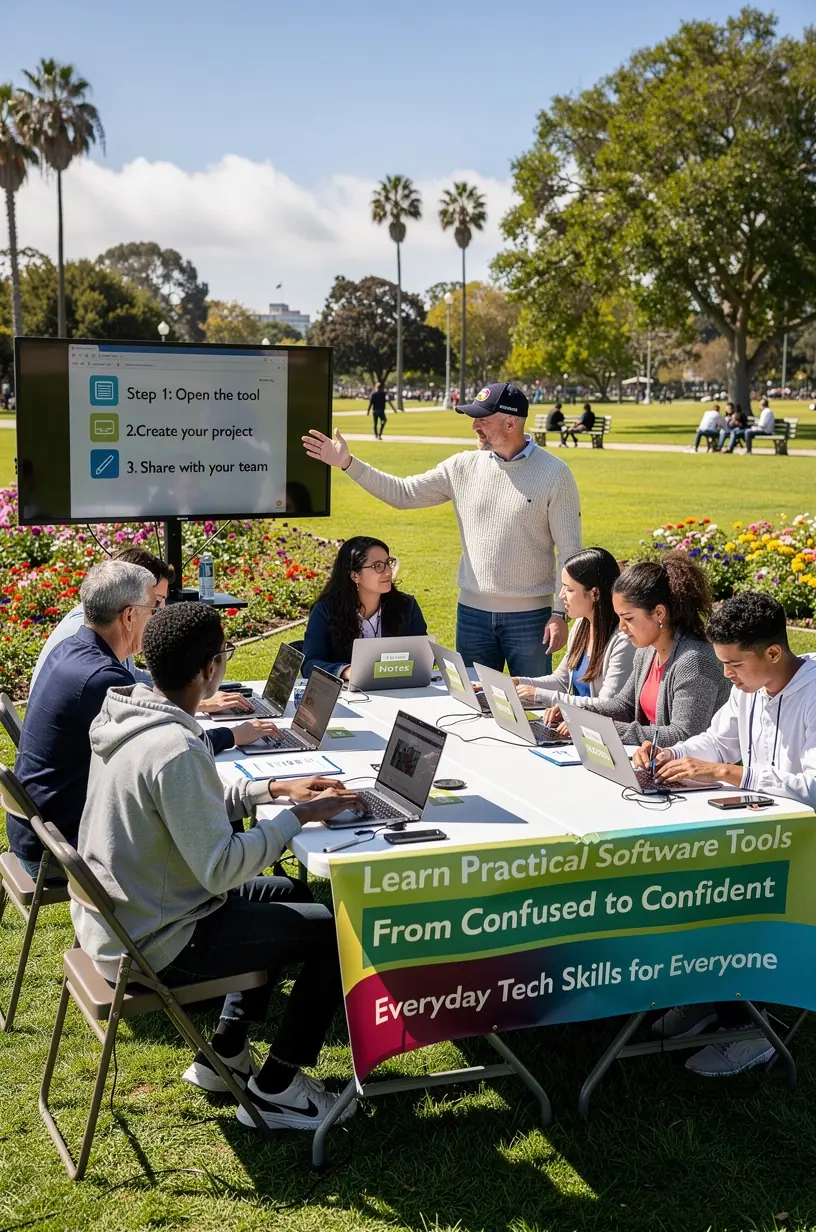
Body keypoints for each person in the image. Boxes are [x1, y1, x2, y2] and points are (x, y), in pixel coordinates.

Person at [71, 602, 363, 1130]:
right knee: (338, 937)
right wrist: (296, 816)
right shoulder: (175, 746)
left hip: (127, 917)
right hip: (155, 941)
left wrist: (268, 790)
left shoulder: (130, 714)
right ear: (209, 669)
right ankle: (276, 1089)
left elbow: (187, 807)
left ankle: (224, 1050)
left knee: (287, 894)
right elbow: (222, 869)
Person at [637, 593, 816, 1076]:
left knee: (719, 892)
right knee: (676, 875)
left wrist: (728, 773)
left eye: (734, 664)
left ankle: (752, 1028)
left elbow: (813, 787)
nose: (727, 676)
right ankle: (709, 997)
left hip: (803, 849)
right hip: (759, 831)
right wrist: (666, 755)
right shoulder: (750, 688)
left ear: (773, 653)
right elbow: (717, 740)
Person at [7, 562, 280, 879]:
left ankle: (237, 893)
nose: (157, 617)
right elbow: (164, 748)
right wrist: (232, 735)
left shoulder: (73, 649)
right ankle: (232, 895)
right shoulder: (101, 679)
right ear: (128, 616)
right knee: (200, 806)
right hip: (59, 848)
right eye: (153, 608)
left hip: (44, 830)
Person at [303, 382, 582, 676]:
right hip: (473, 618)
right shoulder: (461, 467)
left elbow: (570, 552)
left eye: (483, 419)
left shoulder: (555, 474)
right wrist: (347, 463)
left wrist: (559, 613)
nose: (474, 425)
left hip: (531, 620)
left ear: (511, 422)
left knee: (533, 703)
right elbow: (403, 493)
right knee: (473, 707)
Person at [30, 547, 250, 717]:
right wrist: (196, 702)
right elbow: (153, 740)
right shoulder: (100, 673)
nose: (160, 613)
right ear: (129, 613)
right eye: (154, 604)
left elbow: (132, 681)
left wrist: (189, 689)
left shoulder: (86, 639)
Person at [576, 553, 731, 746]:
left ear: (659, 613)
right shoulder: (647, 651)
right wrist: (582, 713)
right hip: (654, 762)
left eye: (629, 618)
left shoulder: (695, 662)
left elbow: (683, 735)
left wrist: (604, 729)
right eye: (620, 618)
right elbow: (625, 704)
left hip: (690, 771)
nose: (622, 627)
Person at [513, 548, 636, 717]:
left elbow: (607, 704)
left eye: (569, 589)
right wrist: (518, 683)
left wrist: (538, 694)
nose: (562, 595)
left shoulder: (623, 640)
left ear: (594, 593)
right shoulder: (581, 626)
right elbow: (561, 681)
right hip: (575, 725)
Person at [302, 536, 427, 678]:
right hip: (350, 696)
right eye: (378, 566)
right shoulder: (325, 611)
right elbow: (309, 664)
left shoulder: (406, 606)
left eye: (388, 563)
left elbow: (423, 657)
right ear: (355, 575)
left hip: (400, 691)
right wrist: (346, 671)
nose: (388, 572)